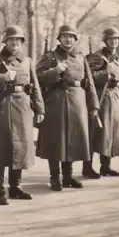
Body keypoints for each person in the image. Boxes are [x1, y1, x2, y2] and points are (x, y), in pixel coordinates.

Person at [0, 25, 45, 206]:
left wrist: (39, 109)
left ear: (22, 42)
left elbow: (35, 86)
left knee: (20, 148)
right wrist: (2, 77)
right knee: (1, 149)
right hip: (2, 107)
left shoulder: (27, 61)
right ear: (5, 42)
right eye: (11, 40)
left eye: (18, 40)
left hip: (23, 106)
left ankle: (15, 186)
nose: (14, 43)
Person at [35, 24, 99, 191]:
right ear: (59, 38)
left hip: (78, 100)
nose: (68, 39)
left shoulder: (80, 56)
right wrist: (55, 70)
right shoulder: (50, 57)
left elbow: (89, 82)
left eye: (71, 36)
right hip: (56, 101)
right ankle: (55, 177)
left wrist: (93, 105)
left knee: (72, 140)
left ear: (75, 39)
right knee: (57, 140)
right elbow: (37, 78)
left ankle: (68, 177)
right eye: (64, 36)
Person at [82, 26, 119, 178]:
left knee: (111, 135)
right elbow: (89, 77)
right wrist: (104, 74)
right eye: (111, 39)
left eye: (116, 39)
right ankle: (87, 167)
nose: (114, 41)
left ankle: (105, 167)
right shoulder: (97, 57)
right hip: (102, 98)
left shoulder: (118, 60)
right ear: (105, 41)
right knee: (97, 133)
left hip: (115, 99)